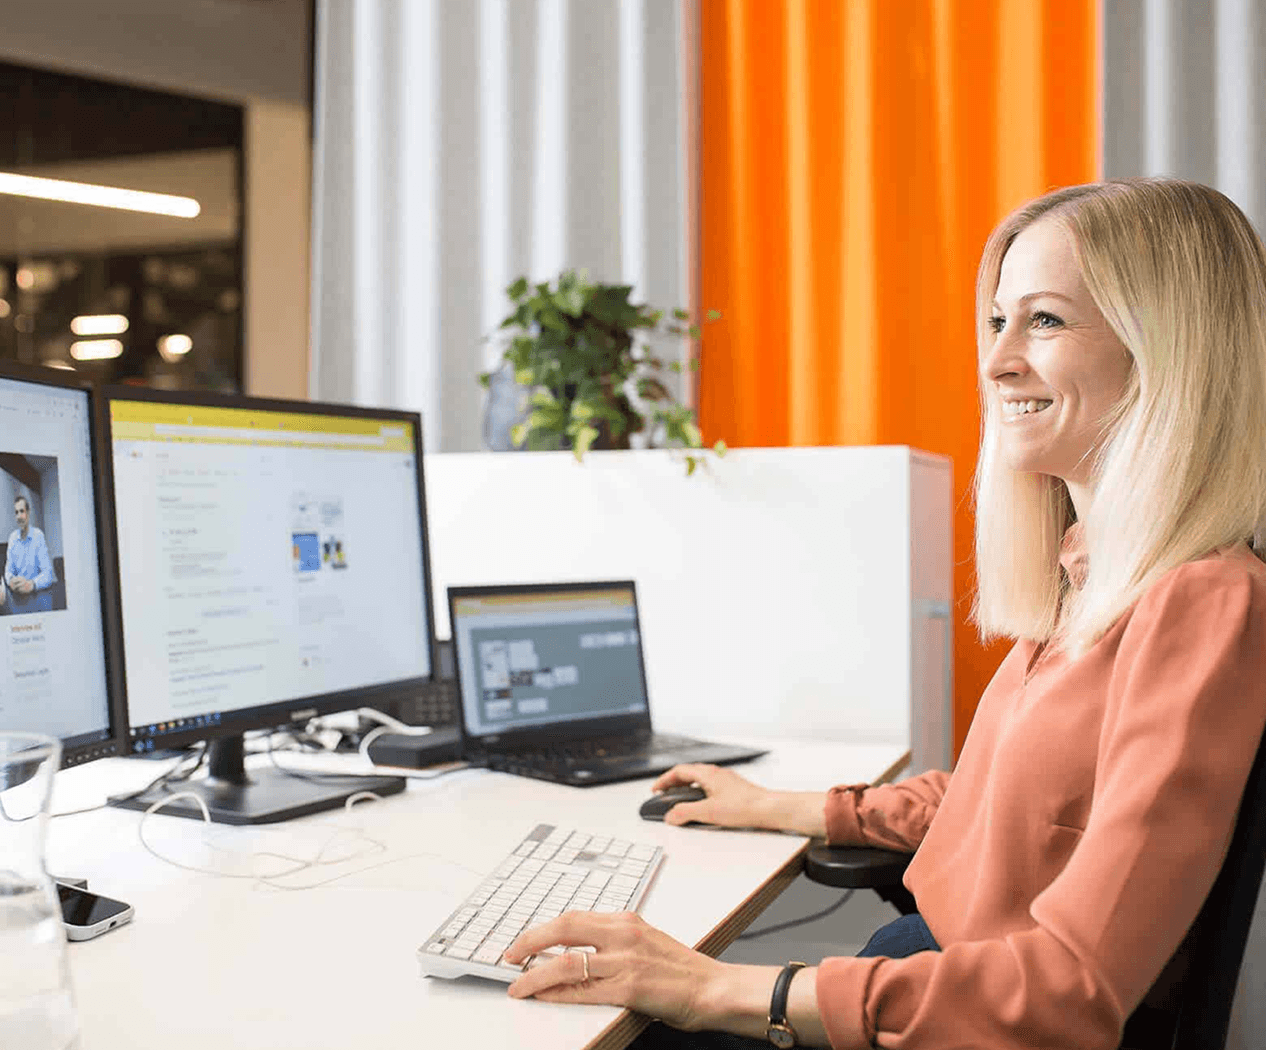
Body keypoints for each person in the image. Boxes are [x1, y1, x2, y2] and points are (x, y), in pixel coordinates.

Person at [498, 177, 1266, 1049]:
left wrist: (722, 986)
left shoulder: (1202, 599)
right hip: (925, 974)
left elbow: (1071, 990)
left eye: (1045, 320)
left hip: (962, 1008)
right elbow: (1007, 803)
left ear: (1171, 348)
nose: (997, 360)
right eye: (997, 321)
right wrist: (788, 807)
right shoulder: (1092, 575)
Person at [5, 495, 57, 614]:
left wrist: (32, 584)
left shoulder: (38, 536)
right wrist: (11, 580)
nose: (19, 516)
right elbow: (8, 570)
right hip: (19, 599)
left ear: (28, 513)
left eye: (22, 511)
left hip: (37, 597)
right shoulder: (12, 538)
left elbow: (48, 574)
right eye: (16, 512)